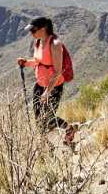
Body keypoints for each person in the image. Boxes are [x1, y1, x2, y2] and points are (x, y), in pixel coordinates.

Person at [16, 17, 78, 145]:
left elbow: (58, 71)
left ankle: (69, 129)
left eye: (33, 30)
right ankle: (45, 144)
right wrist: (26, 62)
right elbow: (39, 62)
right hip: (39, 84)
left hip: (53, 87)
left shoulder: (55, 44)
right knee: (39, 118)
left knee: (48, 117)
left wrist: (47, 92)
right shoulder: (38, 42)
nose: (31, 33)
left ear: (43, 29)